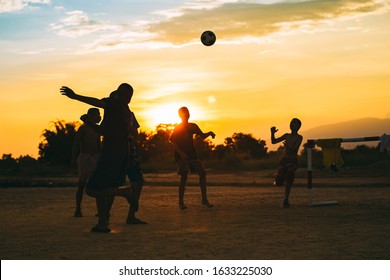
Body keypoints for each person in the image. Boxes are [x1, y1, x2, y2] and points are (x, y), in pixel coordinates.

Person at [61, 83, 135, 233]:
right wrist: (88, 122)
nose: (107, 99)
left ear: (118, 96)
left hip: (111, 155)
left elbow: (97, 102)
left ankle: (125, 193)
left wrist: (75, 96)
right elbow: (103, 131)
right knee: (104, 188)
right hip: (120, 156)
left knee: (92, 189)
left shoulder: (113, 106)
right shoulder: (126, 112)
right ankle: (102, 223)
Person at [169, 106, 215, 210]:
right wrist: (181, 153)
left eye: (188, 112)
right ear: (180, 115)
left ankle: (204, 199)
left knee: (202, 173)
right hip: (181, 155)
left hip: (192, 154)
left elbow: (202, 136)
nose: (187, 114)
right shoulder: (178, 128)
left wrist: (210, 133)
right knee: (184, 177)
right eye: (184, 113)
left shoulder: (193, 126)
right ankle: (181, 202)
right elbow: (173, 142)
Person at [71, 108, 101, 217]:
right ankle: (78, 209)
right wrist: (73, 158)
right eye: (97, 114)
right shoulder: (83, 129)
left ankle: (100, 210)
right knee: (81, 185)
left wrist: (100, 158)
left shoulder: (97, 129)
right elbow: (76, 144)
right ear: (91, 116)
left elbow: (98, 145)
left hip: (95, 158)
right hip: (84, 158)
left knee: (98, 185)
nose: (99, 116)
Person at [270, 118, 303, 208]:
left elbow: (294, 148)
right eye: (291, 123)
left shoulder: (299, 137)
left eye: (294, 124)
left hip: (292, 161)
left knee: (290, 177)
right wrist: (272, 133)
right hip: (284, 160)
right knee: (280, 180)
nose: (292, 125)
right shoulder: (286, 135)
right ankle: (278, 180)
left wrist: (287, 145)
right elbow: (273, 141)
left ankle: (286, 199)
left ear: (299, 126)